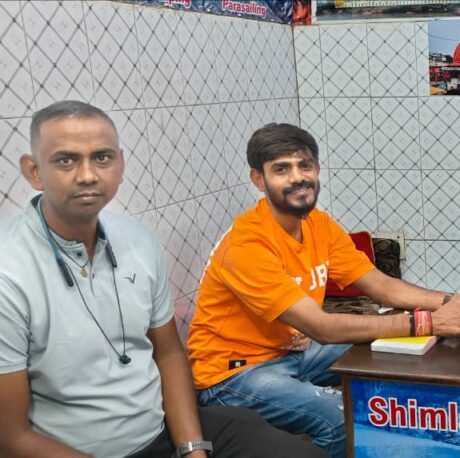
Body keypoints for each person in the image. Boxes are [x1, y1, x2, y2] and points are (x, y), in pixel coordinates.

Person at [0, 101, 326, 458]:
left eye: (102, 158)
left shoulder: (137, 240)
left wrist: (192, 450)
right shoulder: (9, 271)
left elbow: (169, 353)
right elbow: (11, 437)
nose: (88, 175)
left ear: (121, 165)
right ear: (33, 171)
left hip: (161, 430)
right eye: (66, 161)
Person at [188, 123, 460, 457]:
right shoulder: (246, 245)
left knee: (399, 351)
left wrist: (452, 301)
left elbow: (381, 286)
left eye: (304, 165)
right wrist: (428, 321)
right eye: (281, 169)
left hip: (294, 351)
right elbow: (322, 327)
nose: (297, 177)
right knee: (339, 418)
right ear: (258, 180)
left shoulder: (318, 223)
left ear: (317, 169)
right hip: (234, 374)